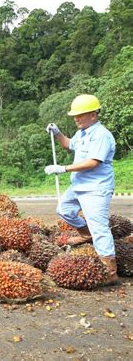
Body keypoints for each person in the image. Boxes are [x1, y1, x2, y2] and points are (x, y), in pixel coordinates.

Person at [44, 94, 119, 285]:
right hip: (79, 185)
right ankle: (86, 235)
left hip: (95, 187)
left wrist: (64, 168)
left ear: (93, 115)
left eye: (80, 115)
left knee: (100, 227)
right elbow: (69, 146)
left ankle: (110, 272)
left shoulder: (101, 135)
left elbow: (94, 162)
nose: (76, 118)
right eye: (75, 115)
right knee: (64, 209)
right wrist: (58, 133)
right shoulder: (82, 133)